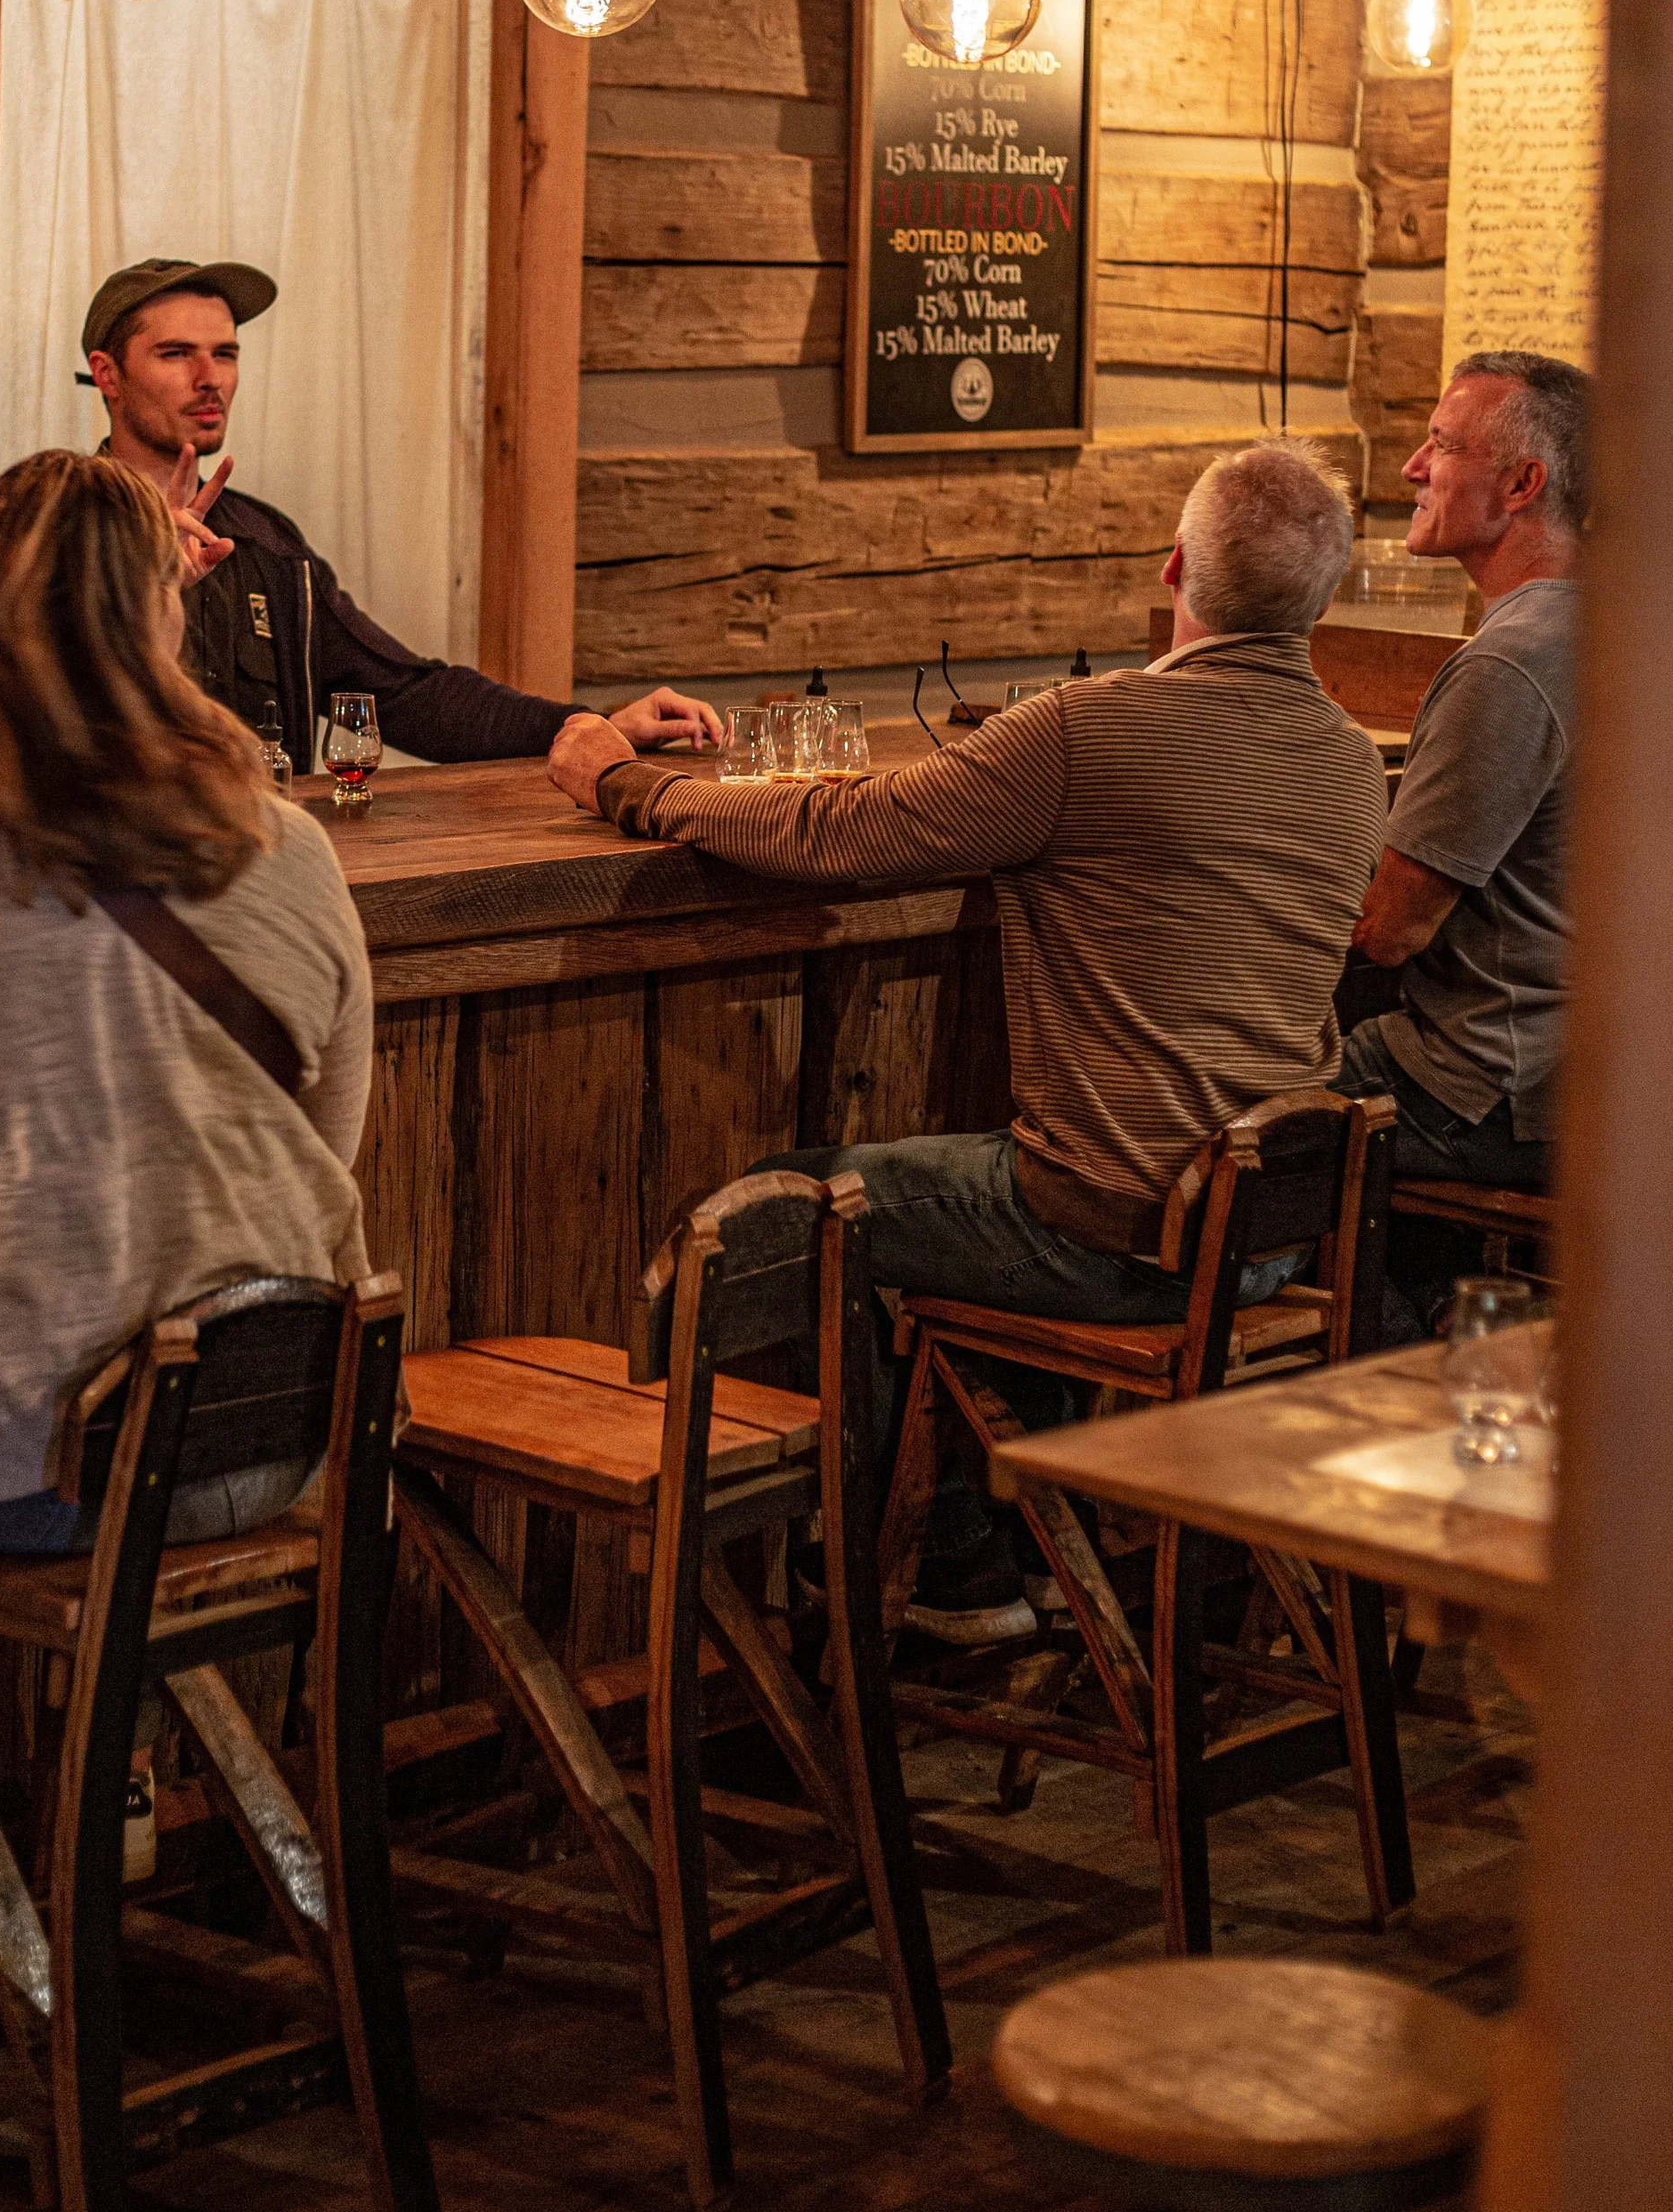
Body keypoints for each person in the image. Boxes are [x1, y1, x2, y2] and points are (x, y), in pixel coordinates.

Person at [548, 438, 1387, 1645]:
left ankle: (895, 1587)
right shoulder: (1355, 765)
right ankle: (1008, 1541)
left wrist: (626, 784)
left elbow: (844, 831)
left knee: (779, 1215)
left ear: (1173, 570)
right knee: (976, 1189)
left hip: (1113, 1227)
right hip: (1262, 1239)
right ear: (1326, 592)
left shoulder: (1084, 733)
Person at [0, 450, 378, 1549]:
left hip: (9, 1471)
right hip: (263, 1447)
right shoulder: (292, 848)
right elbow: (325, 1147)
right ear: (161, 622)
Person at [77, 256, 722, 771]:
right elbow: (21, 713)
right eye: (175, 354)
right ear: (107, 374)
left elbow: (407, 694)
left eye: (225, 353)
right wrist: (138, 577)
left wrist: (593, 726)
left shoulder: (265, 542)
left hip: (263, 873)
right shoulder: (53, 529)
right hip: (103, 890)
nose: (209, 377)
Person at [1338, 350, 1584, 1323]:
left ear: (1523, 484)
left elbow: (1388, 932)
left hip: (1494, 1087)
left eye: (1440, 445)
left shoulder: (1511, 665)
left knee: (1236, 1112)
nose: (1410, 467)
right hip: (1587, 1077)